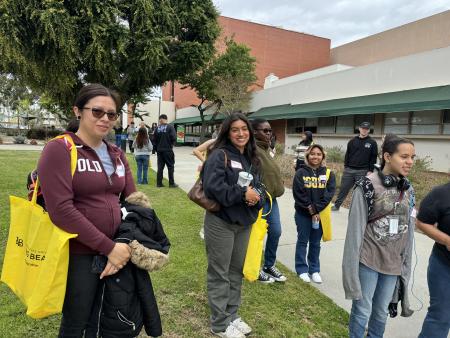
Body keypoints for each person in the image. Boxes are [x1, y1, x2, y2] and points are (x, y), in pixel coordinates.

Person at [37, 83, 136, 337]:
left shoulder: (116, 154)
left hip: (116, 254)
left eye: (111, 114)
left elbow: (134, 202)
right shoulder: (59, 149)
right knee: (75, 323)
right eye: (97, 112)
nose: (105, 119)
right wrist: (109, 248)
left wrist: (121, 244)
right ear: (78, 111)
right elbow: (61, 211)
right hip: (78, 255)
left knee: (106, 321)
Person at [342, 134, 416, 338]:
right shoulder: (366, 186)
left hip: (393, 264)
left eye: (412, 157)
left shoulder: (408, 189)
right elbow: (354, 232)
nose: (409, 162)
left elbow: (409, 229)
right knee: (362, 310)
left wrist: (405, 264)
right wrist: (350, 271)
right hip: (368, 260)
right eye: (404, 156)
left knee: (381, 313)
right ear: (387, 156)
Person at [202, 113, 262, 338]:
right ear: (227, 132)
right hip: (221, 223)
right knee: (219, 273)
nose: (241, 133)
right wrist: (242, 193)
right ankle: (219, 324)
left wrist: (256, 197)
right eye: (235, 129)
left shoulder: (250, 157)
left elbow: (259, 187)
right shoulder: (219, 155)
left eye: (244, 129)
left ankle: (232, 315)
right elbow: (213, 187)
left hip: (244, 223)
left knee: (236, 272)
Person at [293, 144, 335, 283]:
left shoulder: (328, 173)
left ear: (323, 156)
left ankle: (314, 270)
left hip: (320, 215)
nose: (315, 156)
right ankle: (302, 269)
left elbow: (329, 194)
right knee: (303, 241)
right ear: (307, 156)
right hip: (303, 214)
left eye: (318, 154)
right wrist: (311, 211)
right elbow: (299, 194)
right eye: (312, 154)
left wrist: (316, 210)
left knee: (315, 243)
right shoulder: (301, 172)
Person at [251, 118, 287, 283]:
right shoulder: (252, 149)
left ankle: (269, 265)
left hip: (272, 201)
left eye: (270, 130)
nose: (269, 133)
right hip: (260, 200)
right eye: (264, 131)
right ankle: (255, 267)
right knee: (257, 235)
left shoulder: (266, 149)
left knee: (276, 231)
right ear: (254, 132)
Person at [417, 183, 450, 338]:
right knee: (441, 316)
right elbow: (422, 221)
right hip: (444, 265)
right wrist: (447, 240)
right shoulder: (442, 193)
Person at [332, 122, 378, 211]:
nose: (364, 130)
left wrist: (370, 170)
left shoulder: (372, 142)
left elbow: (373, 157)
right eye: (363, 128)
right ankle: (337, 205)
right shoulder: (352, 141)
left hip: (363, 171)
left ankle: (358, 209)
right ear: (359, 129)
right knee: (343, 189)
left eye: (366, 129)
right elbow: (347, 154)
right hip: (349, 170)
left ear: (368, 130)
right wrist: (346, 166)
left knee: (360, 192)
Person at [154, 114, 178, 188]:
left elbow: (154, 140)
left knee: (160, 167)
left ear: (160, 120)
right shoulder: (170, 127)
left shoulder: (157, 128)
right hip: (168, 150)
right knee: (170, 166)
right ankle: (171, 183)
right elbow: (173, 137)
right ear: (166, 119)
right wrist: (171, 144)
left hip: (159, 150)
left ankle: (159, 183)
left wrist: (156, 148)